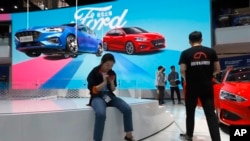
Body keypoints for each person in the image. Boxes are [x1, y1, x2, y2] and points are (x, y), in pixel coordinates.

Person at [178, 31, 221, 141]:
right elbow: (218, 69)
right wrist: (209, 75)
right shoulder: (211, 51)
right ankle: (216, 139)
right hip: (207, 87)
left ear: (189, 42)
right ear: (201, 40)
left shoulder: (185, 53)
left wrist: (187, 79)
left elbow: (182, 70)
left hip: (192, 87)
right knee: (210, 114)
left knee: (190, 112)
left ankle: (189, 135)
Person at [87, 53, 135, 141]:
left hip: (108, 96)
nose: (109, 67)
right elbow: (93, 89)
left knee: (127, 109)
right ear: (102, 62)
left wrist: (111, 82)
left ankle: (129, 136)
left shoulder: (112, 73)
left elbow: (112, 89)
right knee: (101, 114)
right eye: (107, 65)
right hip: (97, 96)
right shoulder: (94, 72)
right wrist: (104, 83)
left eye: (111, 65)